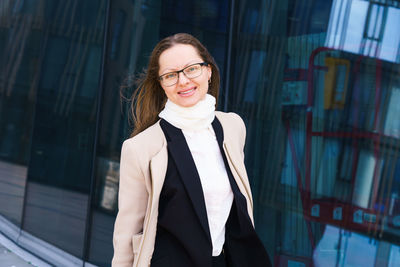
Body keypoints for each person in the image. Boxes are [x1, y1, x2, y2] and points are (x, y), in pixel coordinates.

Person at [112, 33, 271, 267]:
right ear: (161, 84)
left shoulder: (232, 127)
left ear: (208, 71)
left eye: (192, 69)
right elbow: (127, 233)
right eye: (170, 75)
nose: (183, 81)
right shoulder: (140, 148)